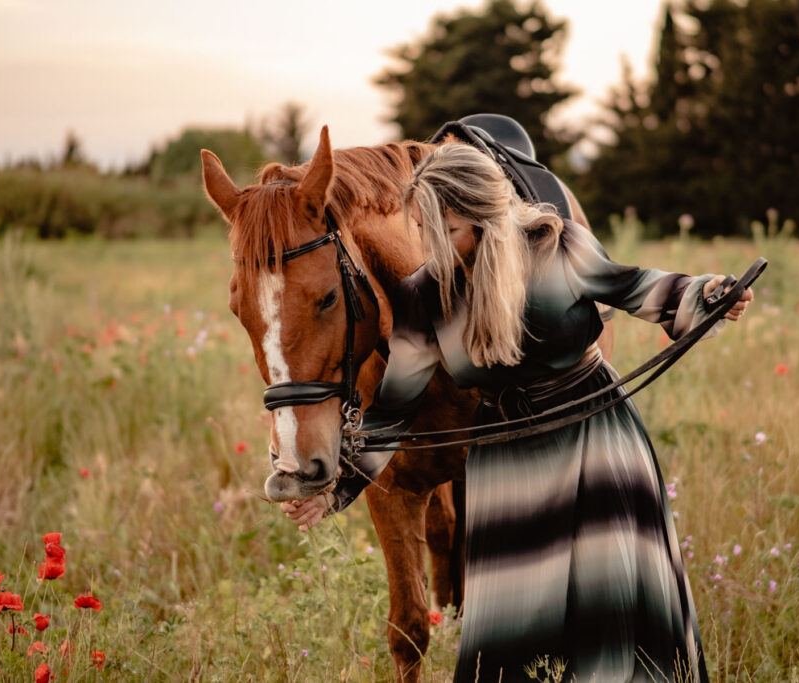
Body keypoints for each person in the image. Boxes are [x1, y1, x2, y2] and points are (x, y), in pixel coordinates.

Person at [281, 143, 753, 682]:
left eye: (447, 229)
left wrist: (710, 295)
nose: (434, 247)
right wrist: (334, 489)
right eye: (423, 229)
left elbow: (641, 289)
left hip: (594, 438)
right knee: (509, 634)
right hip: (506, 463)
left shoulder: (558, 246)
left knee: (612, 607)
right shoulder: (424, 294)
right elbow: (392, 412)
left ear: (488, 220)